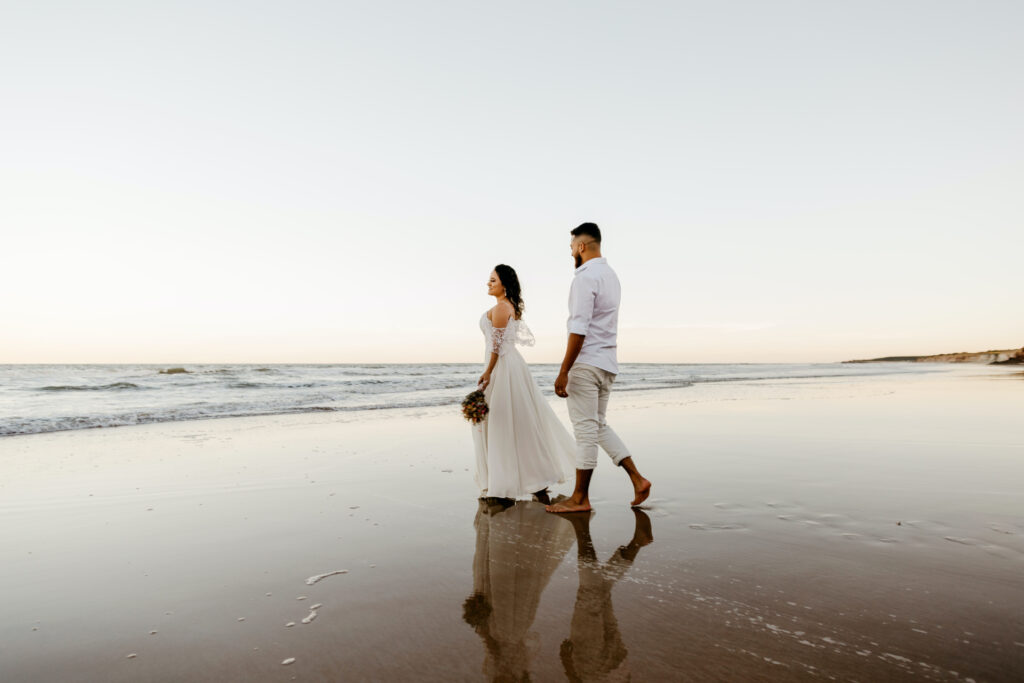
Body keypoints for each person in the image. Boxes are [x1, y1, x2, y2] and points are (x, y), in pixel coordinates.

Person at [547, 223, 652, 514]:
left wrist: (564, 370)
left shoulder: (585, 277)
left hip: (587, 363)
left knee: (584, 431)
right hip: (608, 364)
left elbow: (578, 327)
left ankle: (580, 498)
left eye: (571, 247)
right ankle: (638, 479)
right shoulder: (611, 276)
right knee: (598, 426)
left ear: (581, 246)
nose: (571, 253)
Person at [472, 264, 576, 501]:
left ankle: (511, 482)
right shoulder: (509, 306)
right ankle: (525, 480)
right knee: (515, 422)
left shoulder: (501, 307)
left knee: (502, 422)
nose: (488, 284)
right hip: (509, 366)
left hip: (502, 367)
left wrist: (488, 372)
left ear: (504, 284)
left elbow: (497, 346)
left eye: (492, 280)